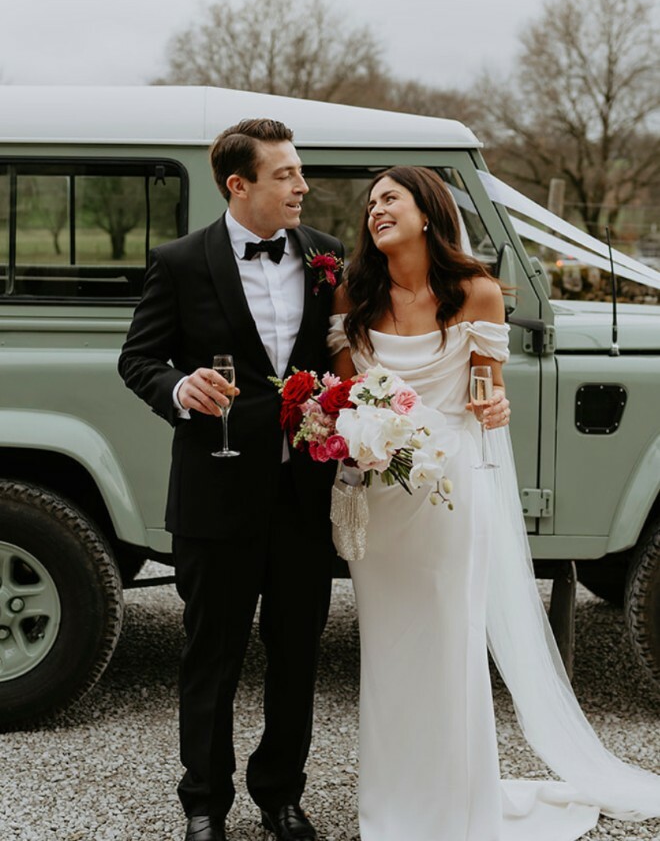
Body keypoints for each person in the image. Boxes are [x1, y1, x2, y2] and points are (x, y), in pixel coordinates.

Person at [328, 166, 660, 841]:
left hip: (450, 490)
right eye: (372, 203)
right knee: (387, 648)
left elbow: (487, 390)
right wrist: (351, 433)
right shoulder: (354, 294)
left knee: (450, 641)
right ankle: (393, 804)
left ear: (428, 211)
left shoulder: (476, 292)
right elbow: (345, 397)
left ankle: (457, 805)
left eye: (391, 198)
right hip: (381, 492)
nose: (376, 210)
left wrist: (496, 406)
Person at [118, 119, 344, 841]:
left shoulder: (328, 258)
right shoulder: (180, 261)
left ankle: (281, 795)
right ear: (238, 184)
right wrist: (179, 388)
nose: (302, 185)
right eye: (285, 174)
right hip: (214, 496)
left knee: (297, 653)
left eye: (299, 171)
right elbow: (137, 359)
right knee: (210, 655)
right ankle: (204, 804)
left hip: (303, 498)